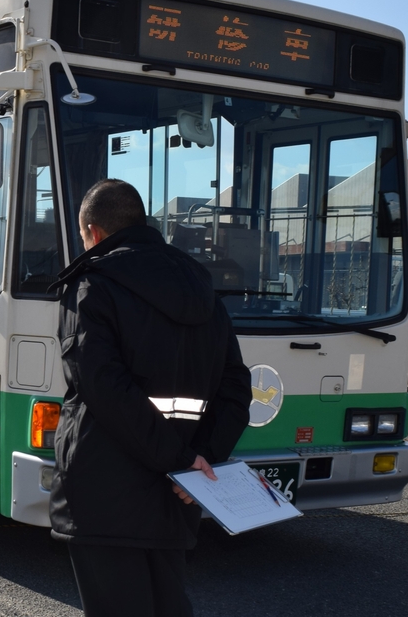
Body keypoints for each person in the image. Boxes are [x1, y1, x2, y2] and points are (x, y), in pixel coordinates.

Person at [48, 179, 252, 616]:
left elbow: (103, 388)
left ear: (93, 232)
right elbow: (236, 387)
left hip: (104, 493)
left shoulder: (92, 285)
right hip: (176, 497)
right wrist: (200, 459)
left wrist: (179, 460)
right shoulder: (204, 292)